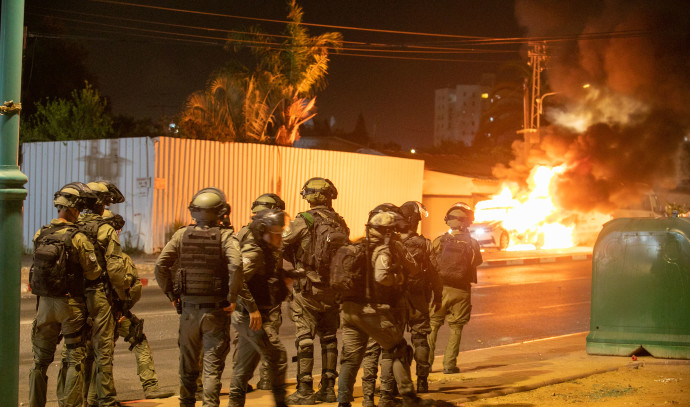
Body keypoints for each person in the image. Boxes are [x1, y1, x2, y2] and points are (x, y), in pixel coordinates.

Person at [154, 187, 243, 407]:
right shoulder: (225, 237)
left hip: (188, 311)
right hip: (215, 311)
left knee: (188, 364)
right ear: (219, 212)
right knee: (212, 367)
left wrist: (171, 295)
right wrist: (232, 297)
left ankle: (186, 403)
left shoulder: (181, 234)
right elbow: (237, 265)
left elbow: (160, 266)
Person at [334, 210, 431, 407]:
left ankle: (343, 402)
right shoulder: (385, 250)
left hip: (349, 310)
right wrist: (399, 278)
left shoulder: (357, 245)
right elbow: (383, 276)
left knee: (351, 359)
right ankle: (408, 397)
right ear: (389, 231)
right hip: (372, 312)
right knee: (398, 350)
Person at [28, 183, 103, 407]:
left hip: (44, 307)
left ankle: (35, 403)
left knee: (40, 362)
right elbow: (93, 272)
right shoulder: (77, 237)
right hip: (70, 306)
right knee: (74, 358)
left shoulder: (40, 234)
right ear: (73, 209)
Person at [282, 177, 349, 404]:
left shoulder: (304, 219)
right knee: (329, 338)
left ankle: (304, 390)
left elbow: (281, 244)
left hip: (308, 289)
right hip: (332, 290)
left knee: (304, 339)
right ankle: (329, 388)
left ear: (310, 196)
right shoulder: (339, 222)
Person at [102, 208, 174, 400]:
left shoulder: (82, 252)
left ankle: (96, 396)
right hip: (117, 314)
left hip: (90, 317)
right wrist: (123, 309)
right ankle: (150, 386)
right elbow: (133, 288)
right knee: (138, 341)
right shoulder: (119, 258)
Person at [74, 180, 131, 407]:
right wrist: (123, 295)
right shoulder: (105, 228)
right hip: (98, 294)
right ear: (100, 204)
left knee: (79, 350)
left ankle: (80, 399)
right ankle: (106, 399)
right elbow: (115, 268)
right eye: (107, 202)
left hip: (75, 297)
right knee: (103, 347)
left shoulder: (73, 224)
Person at [228, 208, 291, 407]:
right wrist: (253, 308)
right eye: (276, 234)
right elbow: (238, 281)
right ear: (264, 231)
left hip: (256, 315)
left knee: (244, 368)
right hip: (250, 316)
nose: (279, 238)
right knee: (277, 357)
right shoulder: (254, 252)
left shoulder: (266, 250)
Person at [427, 203, 483, 374]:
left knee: (433, 325)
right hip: (461, 291)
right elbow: (477, 262)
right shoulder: (472, 243)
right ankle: (449, 365)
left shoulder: (439, 240)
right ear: (467, 222)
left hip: (439, 291)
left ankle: (426, 365)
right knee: (456, 328)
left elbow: (430, 262)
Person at [399, 201, 442, 392]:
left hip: (396, 300)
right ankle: (422, 382)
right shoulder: (424, 244)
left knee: (393, 341)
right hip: (418, 298)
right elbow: (434, 273)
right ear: (415, 221)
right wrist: (438, 296)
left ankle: (394, 382)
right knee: (420, 339)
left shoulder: (392, 243)